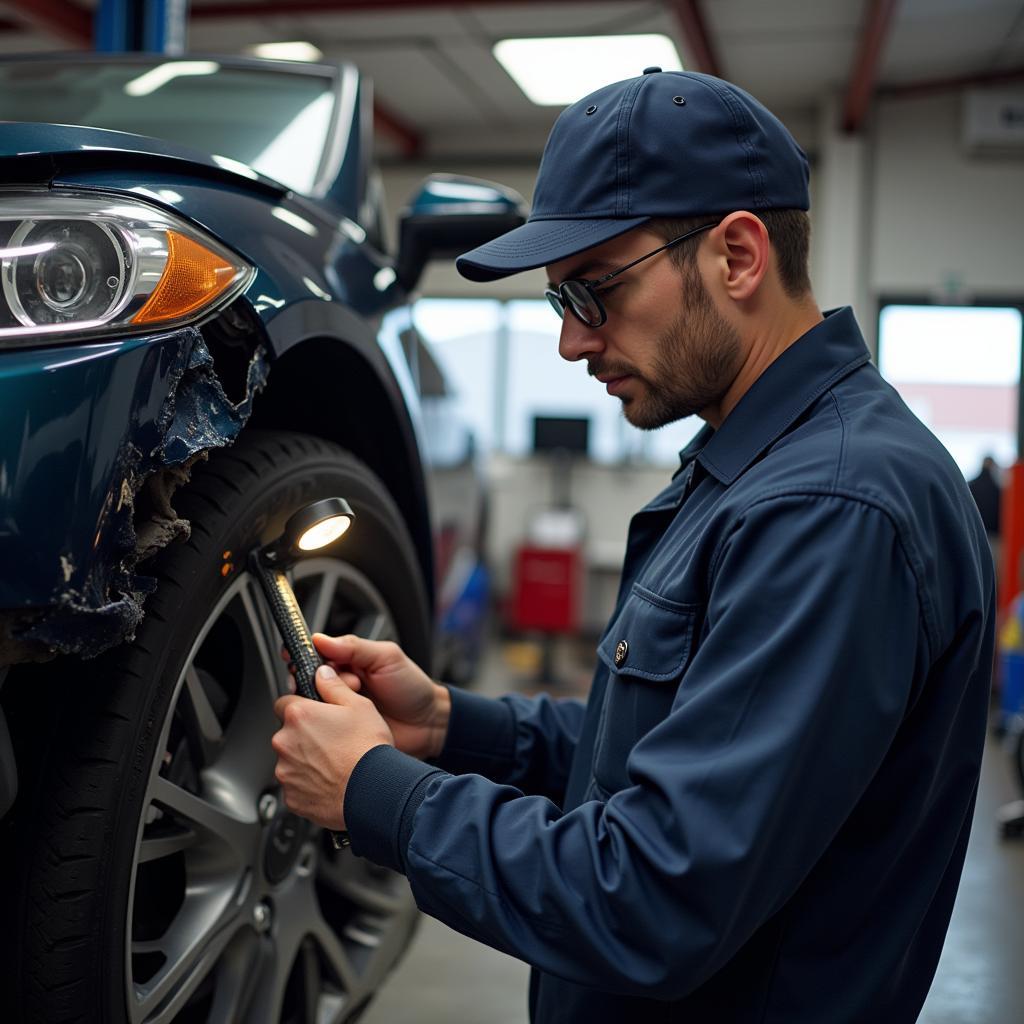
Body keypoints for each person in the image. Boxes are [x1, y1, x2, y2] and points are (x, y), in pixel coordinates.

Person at [271, 68, 995, 1022]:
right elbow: (676, 739)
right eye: (559, 302)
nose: (574, 345)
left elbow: (651, 895)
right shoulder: (757, 467)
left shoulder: (833, 507)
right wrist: (450, 726)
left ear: (738, 255)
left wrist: (378, 792)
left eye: (595, 292)